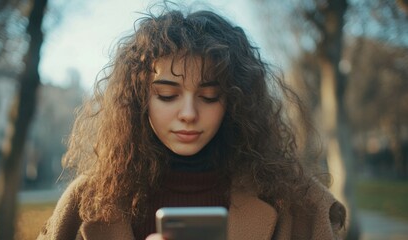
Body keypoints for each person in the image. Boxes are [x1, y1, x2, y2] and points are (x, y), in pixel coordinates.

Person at [38, 2, 346, 240]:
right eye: (167, 96)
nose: (188, 113)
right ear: (137, 101)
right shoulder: (86, 202)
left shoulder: (295, 201)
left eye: (210, 96)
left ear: (235, 102)